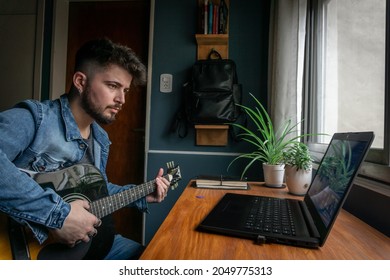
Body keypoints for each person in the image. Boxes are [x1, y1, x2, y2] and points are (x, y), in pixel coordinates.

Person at [0, 38, 171, 260]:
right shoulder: (36, 119)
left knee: (161, 259)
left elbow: (96, 190)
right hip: (25, 250)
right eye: (113, 86)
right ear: (80, 81)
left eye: (126, 90)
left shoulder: (100, 139)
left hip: (94, 246)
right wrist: (57, 216)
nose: (122, 99)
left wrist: (139, 193)